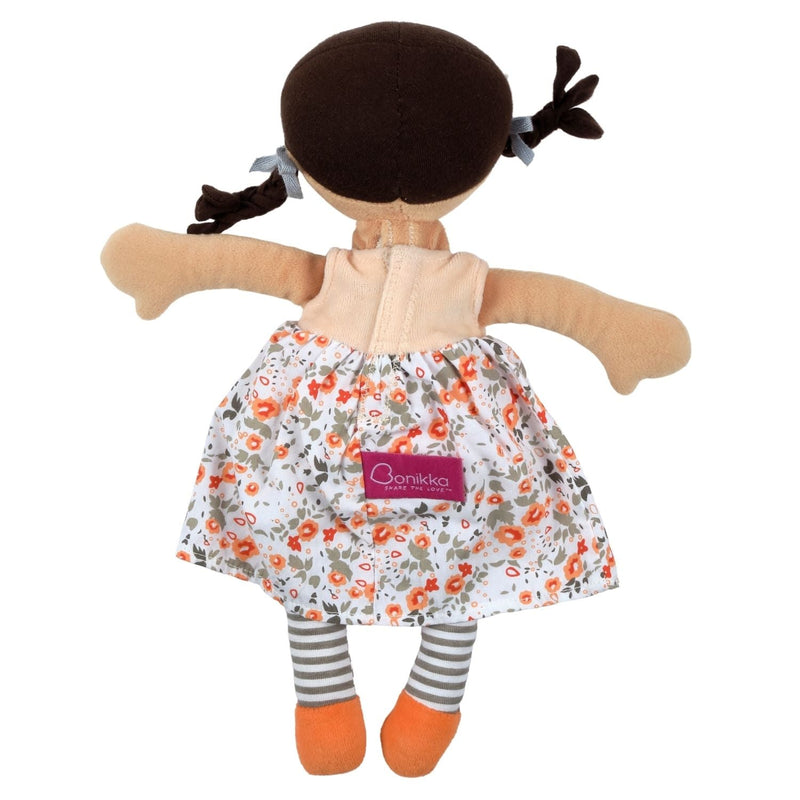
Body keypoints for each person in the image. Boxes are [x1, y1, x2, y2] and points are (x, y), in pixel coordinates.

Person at [101, 21, 690, 777]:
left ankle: (429, 702)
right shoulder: (368, 274)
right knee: (311, 537)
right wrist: (169, 264)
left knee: (461, 548)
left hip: (422, 444)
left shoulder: (459, 281)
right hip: (357, 441)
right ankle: (327, 701)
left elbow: (559, 303)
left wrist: (618, 335)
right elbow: (254, 264)